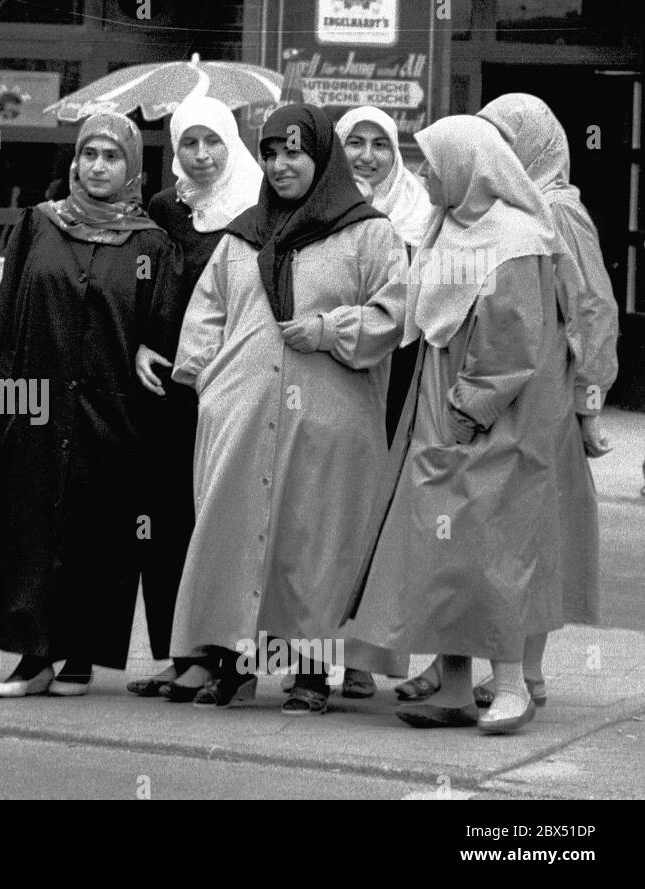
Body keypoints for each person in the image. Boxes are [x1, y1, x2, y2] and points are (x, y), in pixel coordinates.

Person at [169, 103, 407, 715]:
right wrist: (206, 385)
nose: (280, 165)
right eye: (271, 152)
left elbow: (394, 316)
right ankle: (234, 664)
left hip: (331, 421)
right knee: (236, 536)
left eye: (295, 152)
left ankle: (309, 673)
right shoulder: (244, 235)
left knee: (313, 541)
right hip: (242, 415)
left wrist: (330, 330)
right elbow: (207, 314)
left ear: (321, 157)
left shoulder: (368, 232)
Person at [343, 115, 576, 734]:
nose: (424, 174)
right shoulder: (449, 227)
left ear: (470, 165)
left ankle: (509, 688)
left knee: (491, 552)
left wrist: (467, 411)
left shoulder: (519, 239)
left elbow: (515, 343)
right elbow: (418, 305)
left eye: (434, 162)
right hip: (439, 415)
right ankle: (449, 688)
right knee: (443, 551)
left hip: (490, 422)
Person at [0, 111, 180, 698]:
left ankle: (82, 656)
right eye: (89, 154)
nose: (98, 167)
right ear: (74, 162)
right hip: (33, 406)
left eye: (112, 157)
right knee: (30, 530)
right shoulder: (39, 225)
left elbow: (161, 325)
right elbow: (6, 313)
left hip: (110, 413)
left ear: (132, 166)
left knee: (99, 534)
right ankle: (32, 656)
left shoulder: (151, 244)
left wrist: (150, 344)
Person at [468, 93, 619, 709]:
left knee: (536, 529)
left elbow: (591, 307)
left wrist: (588, 403)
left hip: (547, 396)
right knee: (505, 530)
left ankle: (526, 672)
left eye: (508, 139)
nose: (497, 153)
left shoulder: (556, 210)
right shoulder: (503, 207)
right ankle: (512, 671)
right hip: (506, 391)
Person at [127, 96, 259, 701]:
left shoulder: (259, 211)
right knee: (168, 516)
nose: (201, 157)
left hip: (230, 386)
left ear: (232, 144)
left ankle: (225, 655)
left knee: (222, 517)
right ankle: (180, 651)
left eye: (213, 143)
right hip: (169, 390)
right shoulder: (164, 208)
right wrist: (141, 345)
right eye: (188, 144)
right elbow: (141, 284)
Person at [331, 105, 436, 699]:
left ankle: (366, 660)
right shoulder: (321, 214)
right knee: (336, 518)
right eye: (354, 143)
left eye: (379, 144)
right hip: (338, 379)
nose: (366, 155)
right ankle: (320, 656)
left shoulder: (425, 219)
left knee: (384, 522)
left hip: (399, 383)